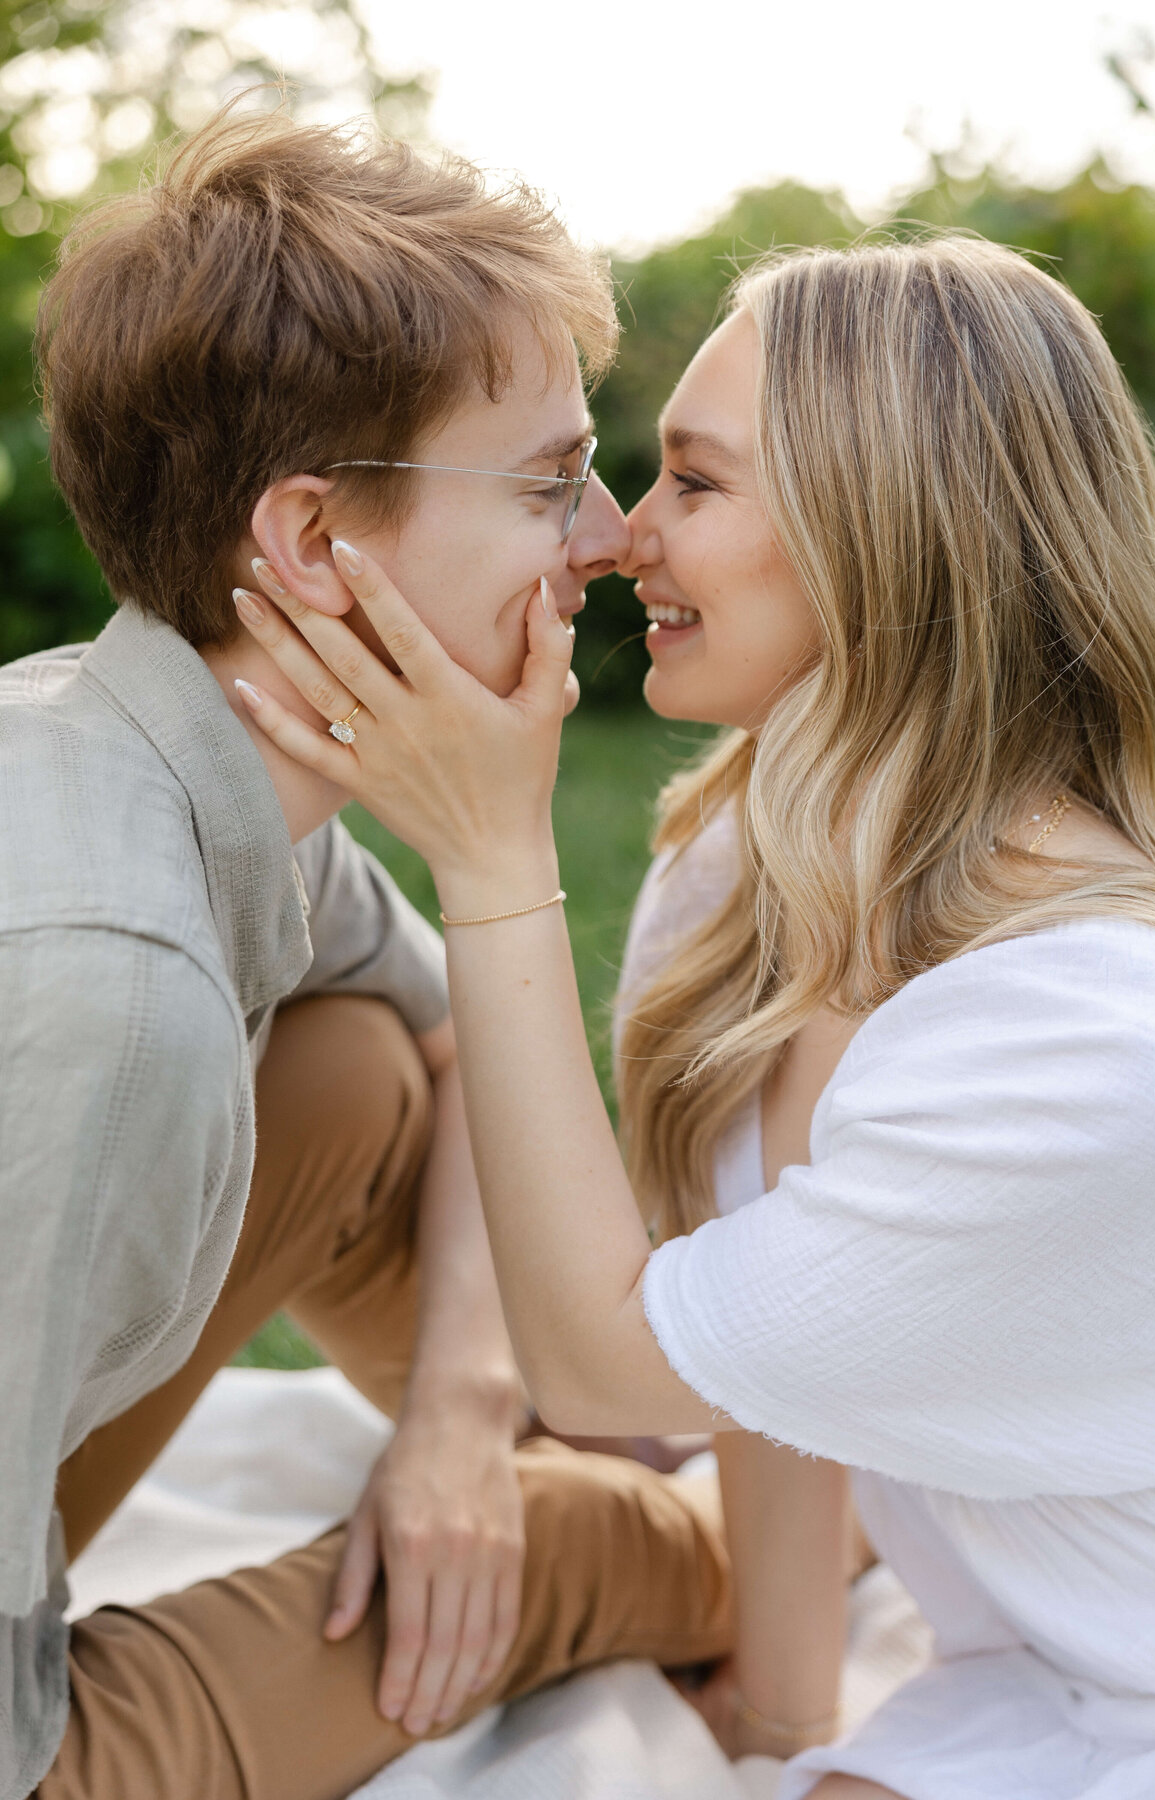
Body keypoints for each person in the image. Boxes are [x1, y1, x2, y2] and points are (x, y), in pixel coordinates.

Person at [239, 233, 1155, 1800]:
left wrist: (493, 857)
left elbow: (608, 1369)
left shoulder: (1088, 1041)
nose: (621, 539)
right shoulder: (736, 865)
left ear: (880, 532)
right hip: (1020, 1672)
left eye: (693, 481)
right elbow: (770, 1368)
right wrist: (776, 1706)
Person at [0, 109, 734, 1800]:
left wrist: (460, 1426)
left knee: (345, 1062)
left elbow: (457, 1059)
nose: (611, 536)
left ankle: (576, 1436)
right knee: (579, 1552)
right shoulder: (112, 997)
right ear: (313, 547)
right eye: (553, 481)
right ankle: (704, 1534)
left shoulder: (176, 759)